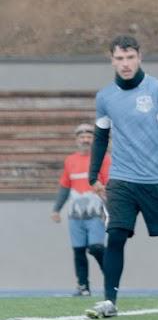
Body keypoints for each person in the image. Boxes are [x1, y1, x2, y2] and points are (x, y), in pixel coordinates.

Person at [85, 35, 158, 320]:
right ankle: (109, 301)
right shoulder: (105, 97)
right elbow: (100, 137)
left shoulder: (157, 89)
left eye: (130, 57)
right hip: (121, 181)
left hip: (156, 182)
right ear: (111, 60)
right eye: (120, 58)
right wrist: (93, 175)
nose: (125, 64)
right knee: (115, 237)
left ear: (139, 57)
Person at [51, 122, 110, 296]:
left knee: (96, 247)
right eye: (82, 137)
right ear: (77, 140)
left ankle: (111, 279)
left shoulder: (104, 159)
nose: (85, 140)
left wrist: (111, 207)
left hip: (96, 211)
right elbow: (65, 187)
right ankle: (83, 286)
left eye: (89, 137)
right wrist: (56, 209)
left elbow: (109, 184)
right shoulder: (70, 160)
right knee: (78, 250)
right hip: (75, 213)